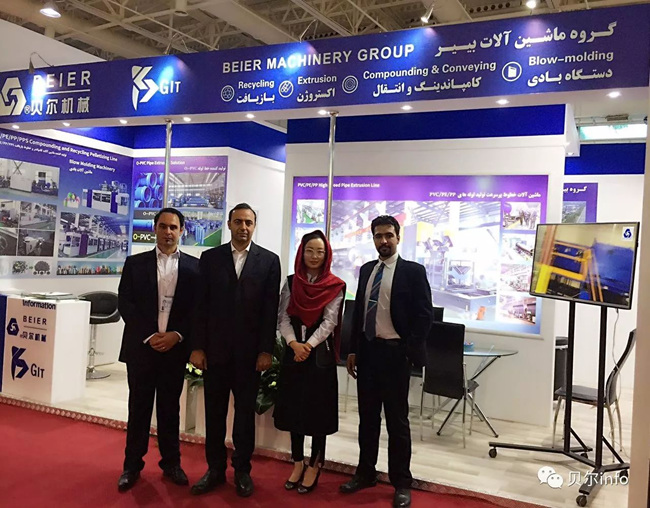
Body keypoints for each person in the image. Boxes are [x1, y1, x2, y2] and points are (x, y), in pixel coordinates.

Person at [340, 215, 433, 508]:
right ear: (373, 238)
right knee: (367, 419)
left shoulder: (413, 272)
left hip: (395, 355)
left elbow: (424, 316)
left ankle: (401, 482)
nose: (384, 241)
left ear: (398, 237)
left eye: (389, 235)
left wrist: (408, 350)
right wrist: (353, 350)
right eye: (378, 236)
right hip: (368, 353)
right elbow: (359, 313)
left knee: (397, 422)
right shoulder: (367, 269)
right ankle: (365, 473)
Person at [190, 203, 281, 498]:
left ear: (254, 226)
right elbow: (200, 306)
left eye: (249, 222)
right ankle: (215, 469)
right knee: (214, 414)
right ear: (229, 224)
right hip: (215, 353)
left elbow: (270, 310)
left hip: (249, 356)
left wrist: (266, 351)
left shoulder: (269, 261)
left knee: (244, 417)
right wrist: (197, 347)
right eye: (238, 221)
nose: (243, 227)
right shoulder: (210, 258)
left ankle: (242, 470)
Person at [116, 207, 199, 492]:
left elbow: (196, 310)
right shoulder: (135, 263)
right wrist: (150, 336)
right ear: (154, 229)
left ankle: (172, 464)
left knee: (169, 409)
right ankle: (131, 466)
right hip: (142, 349)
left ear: (182, 231)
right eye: (163, 226)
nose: (168, 232)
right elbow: (125, 303)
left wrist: (177, 335)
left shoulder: (194, 268)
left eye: (173, 227)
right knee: (138, 408)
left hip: (174, 350)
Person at [274, 230, 345, 494]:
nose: (314, 256)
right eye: (310, 251)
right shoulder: (291, 282)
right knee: (293, 410)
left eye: (320, 252)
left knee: (318, 414)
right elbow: (283, 317)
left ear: (327, 255)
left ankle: (315, 464)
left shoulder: (334, 285)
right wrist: (294, 344)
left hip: (319, 357)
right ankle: (297, 462)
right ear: (301, 253)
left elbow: (330, 321)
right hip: (294, 355)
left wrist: (308, 346)